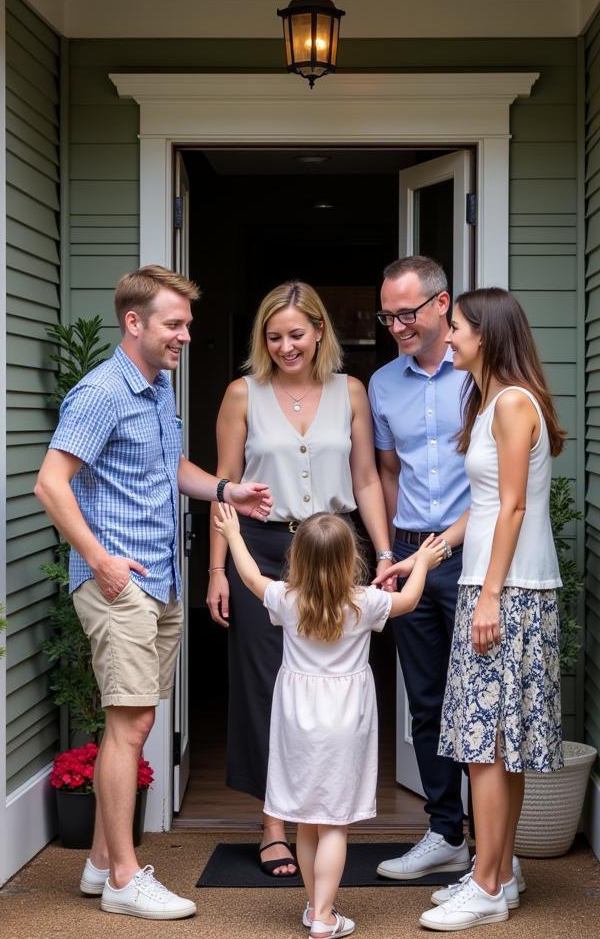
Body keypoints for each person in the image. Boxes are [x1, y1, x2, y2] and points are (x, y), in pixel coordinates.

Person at [35, 265, 273, 920]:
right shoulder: (102, 393)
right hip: (121, 583)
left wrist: (228, 491)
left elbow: (169, 467)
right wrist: (99, 560)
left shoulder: (155, 386)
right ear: (134, 323)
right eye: (175, 324)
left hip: (161, 579)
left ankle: (97, 864)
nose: (186, 336)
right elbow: (52, 483)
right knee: (130, 722)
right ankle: (123, 878)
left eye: (188, 324)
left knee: (134, 723)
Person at [385, 287, 566, 932]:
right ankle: (500, 870)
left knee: (487, 746)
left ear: (485, 333)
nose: (448, 335)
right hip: (494, 585)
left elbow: (514, 506)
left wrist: (488, 592)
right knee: (497, 744)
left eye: (456, 326)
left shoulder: (514, 403)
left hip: (509, 592)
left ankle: (486, 884)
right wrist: (425, 557)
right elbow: (482, 508)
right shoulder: (489, 401)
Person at [206, 281, 394, 879]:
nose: (286, 346)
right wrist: (217, 569)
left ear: (319, 332)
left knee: (334, 686)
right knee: (269, 686)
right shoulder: (242, 394)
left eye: (296, 334)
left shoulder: (352, 392)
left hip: (336, 548)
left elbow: (365, 479)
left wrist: (385, 552)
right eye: (274, 336)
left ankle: (327, 813)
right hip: (261, 549)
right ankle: (273, 826)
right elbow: (224, 487)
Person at [213, 504, 446, 939]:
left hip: (297, 718)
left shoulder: (287, 599)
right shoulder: (365, 602)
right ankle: (323, 914)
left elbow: (249, 577)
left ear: (296, 558)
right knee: (334, 821)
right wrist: (425, 564)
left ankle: (315, 905)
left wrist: (232, 533)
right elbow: (411, 600)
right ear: (349, 559)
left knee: (305, 818)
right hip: (344, 719)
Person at [367, 256, 479, 882]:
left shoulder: (480, 378)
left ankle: (492, 847)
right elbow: (386, 473)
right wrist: (387, 554)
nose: (396, 326)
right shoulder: (383, 384)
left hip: (475, 553)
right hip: (410, 552)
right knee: (427, 698)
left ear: (441, 305)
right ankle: (445, 833)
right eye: (388, 316)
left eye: (406, 313)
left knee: (480, 703)